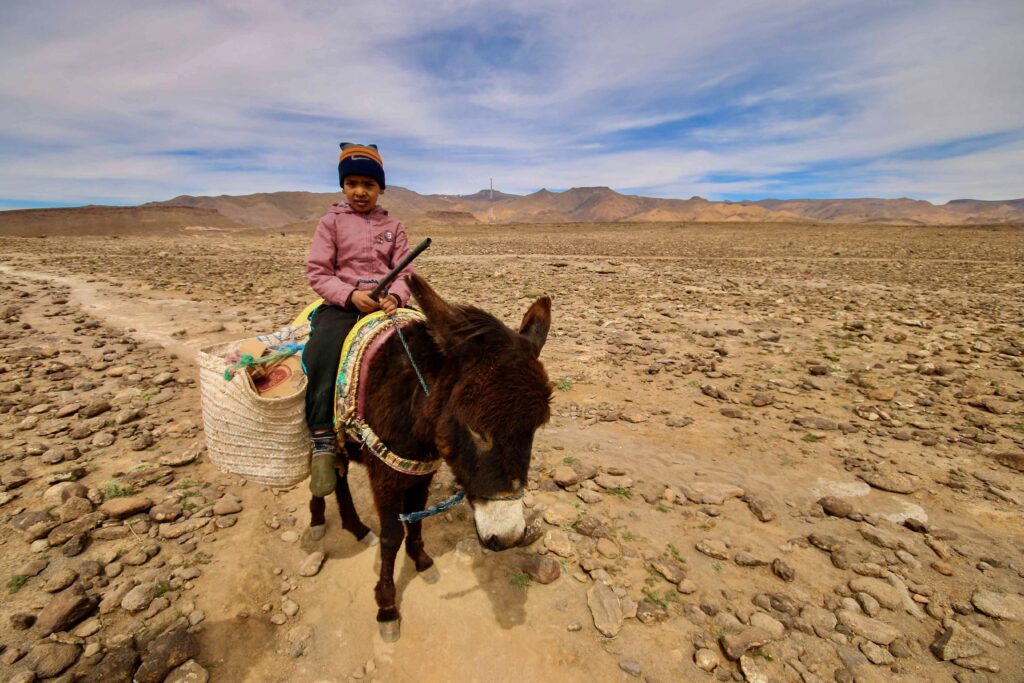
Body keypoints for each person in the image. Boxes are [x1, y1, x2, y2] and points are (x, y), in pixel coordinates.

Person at [302, 142, 414, 496]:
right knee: (320, 351)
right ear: (343, 187)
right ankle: (322, 437)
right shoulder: (330, 223)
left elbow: (405, 271)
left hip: (387, 306)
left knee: (427, 348)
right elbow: (318, 272)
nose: (360, 192)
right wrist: (349, 296)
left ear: (381, 187)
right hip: (344, 304)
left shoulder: (394, 226)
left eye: (368, 184)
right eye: (352, 184)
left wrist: (395, 296)